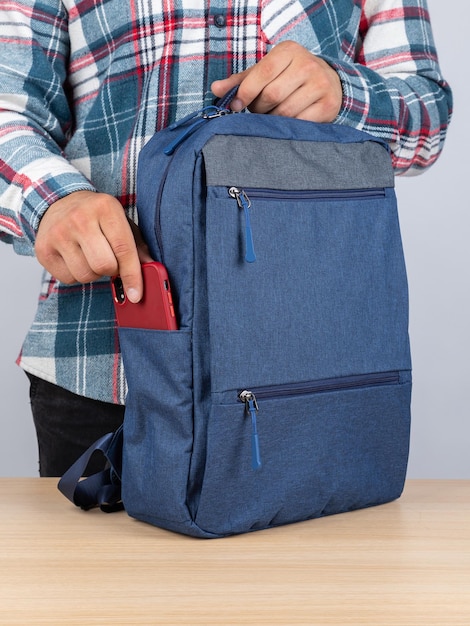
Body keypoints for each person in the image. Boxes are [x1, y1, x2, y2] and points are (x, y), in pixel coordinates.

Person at [0, 1, 452, 476]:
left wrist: (346, 94)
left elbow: (428, 115)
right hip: (104, 363)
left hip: (313, 367)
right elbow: (10, 110)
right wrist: (52, 200)